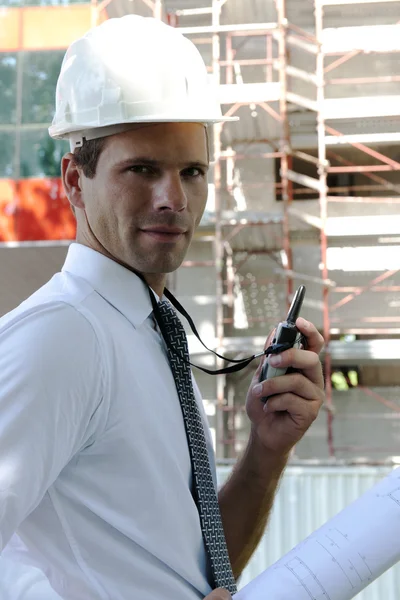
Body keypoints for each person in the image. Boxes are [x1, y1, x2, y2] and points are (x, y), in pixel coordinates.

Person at [0, 15, 325, 600]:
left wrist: (265, 451)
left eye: (191, 172)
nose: (172, 199)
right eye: (142, 169)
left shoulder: (150, 332)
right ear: (76, 181)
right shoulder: (61, 337)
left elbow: (190, 572)